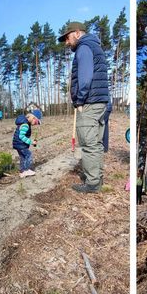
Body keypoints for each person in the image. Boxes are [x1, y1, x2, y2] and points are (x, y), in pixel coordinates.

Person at [58, 21, 109, 193]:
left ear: (77, 33)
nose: (67, 42)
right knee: (96, 144)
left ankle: (92, 183)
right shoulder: (94, 46)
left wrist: (79, 100)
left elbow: (85, 78)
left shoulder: (84, 48)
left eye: (67, 37)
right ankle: (97, 180)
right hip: (99, 102)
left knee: (88, 144)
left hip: (89, 103)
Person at [12, 110, 42, 178]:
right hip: (20, 144)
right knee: (28, 155)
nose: (36, 124)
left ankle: (22, 172)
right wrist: (31, 142)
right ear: (33, 118)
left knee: (23, 157)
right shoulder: (25, 125)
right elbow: (21, 136)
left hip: (18, 144)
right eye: (36, 122)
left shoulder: (25, 122)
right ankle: (26, 170)